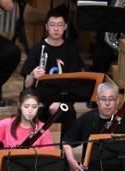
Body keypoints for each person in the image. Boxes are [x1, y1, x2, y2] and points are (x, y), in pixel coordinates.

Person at [21, 4, 84, 135]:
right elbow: (27, 85)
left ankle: (65, 147)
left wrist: (60, 101)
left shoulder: (71, 50)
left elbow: (75, 83)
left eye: (60, 25)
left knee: (69, 113)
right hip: (40, 98)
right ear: (46, 27)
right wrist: (32, 74)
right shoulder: (37, 49)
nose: (56, 29)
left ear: (65, 27)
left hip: (63, 98)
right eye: (52, 25)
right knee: (32, 113)